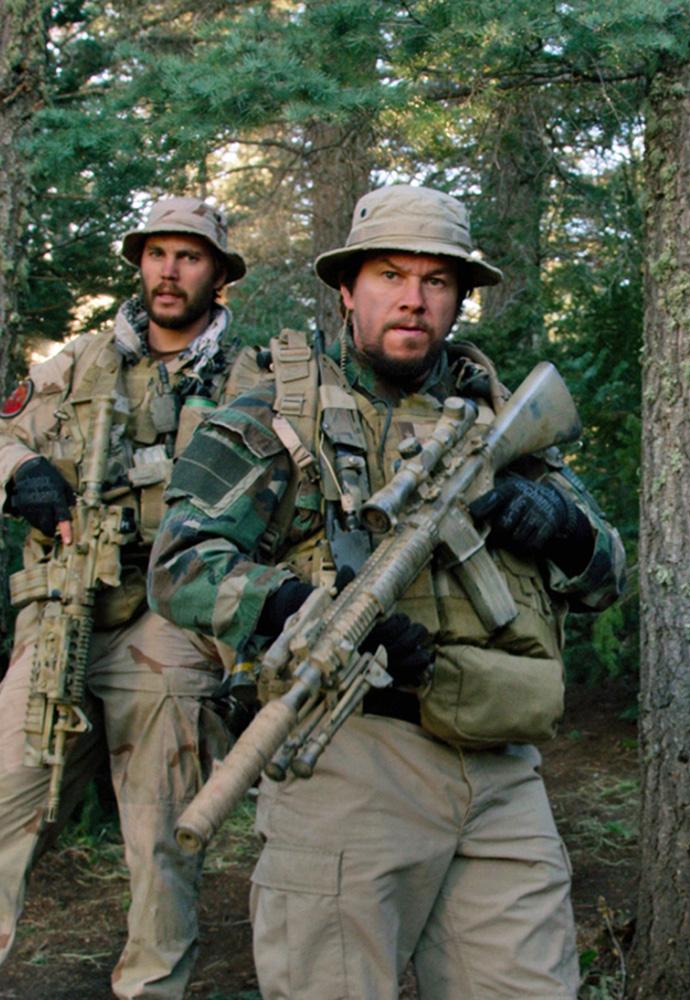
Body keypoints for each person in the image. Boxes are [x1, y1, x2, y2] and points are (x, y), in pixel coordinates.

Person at [147, 184, 625, 999]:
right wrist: (308, 612)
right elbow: (182, 565)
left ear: (460, 298)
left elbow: (607, 577)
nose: (413, 299)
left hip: (502, 770)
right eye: (390, 276)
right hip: (350, 761)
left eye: (436, 281)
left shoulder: (503, 423)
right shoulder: (275, 415)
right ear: (346, 289)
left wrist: (562, 528)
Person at [0, 196, 260, 998]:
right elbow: (3, 431)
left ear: (218, 275)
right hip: (66, 612)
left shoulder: (252, 376)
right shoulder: (78, 361)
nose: (170, 270)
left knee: (160, 840)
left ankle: (152, 989)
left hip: (173, 623)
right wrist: (22, 475)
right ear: (139, 264)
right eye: (156, 254)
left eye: (189, 256)